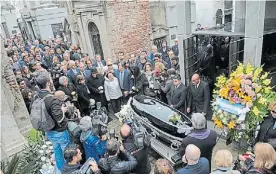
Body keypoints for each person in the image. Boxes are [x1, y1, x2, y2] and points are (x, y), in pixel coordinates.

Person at [34, 74, 70, 171]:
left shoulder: (36, 97)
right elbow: (59, 119)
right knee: (68, 153)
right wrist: (63, 110)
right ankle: (70, 171)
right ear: (48, 83)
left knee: (57, 151)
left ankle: (61, 170)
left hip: (48, 130)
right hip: (59, 131)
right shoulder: (51, 99)